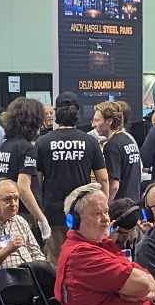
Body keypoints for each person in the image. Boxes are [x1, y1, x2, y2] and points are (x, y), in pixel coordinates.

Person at [36, 97, 105, 263]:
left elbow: (37, 181)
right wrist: (104, 207)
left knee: (56, 258)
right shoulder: (90, 141)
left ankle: (58, 288)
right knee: (84, 256)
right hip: (83, 209)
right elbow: (104, 179)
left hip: (53, 209)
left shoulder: (42, 142)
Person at [0, 98, 49, 241]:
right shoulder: (27, 149)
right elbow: (23, 188)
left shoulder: (5, 145)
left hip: (6, 212)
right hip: (25, 214)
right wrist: (42, 219)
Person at [94, 101, 142, 204]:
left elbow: (114, 185)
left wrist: (105, 205)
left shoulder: (111, 146)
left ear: (109, 121)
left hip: (120, 206)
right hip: (134, 202)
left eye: (97, 120)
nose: (94, 125)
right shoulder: (128, 140)